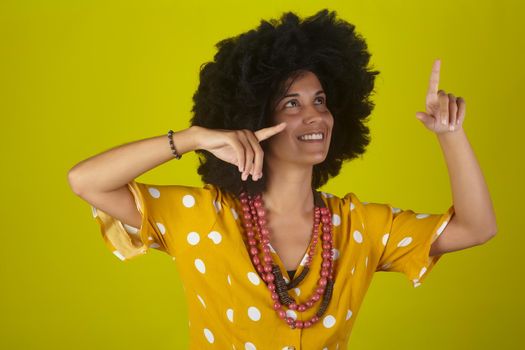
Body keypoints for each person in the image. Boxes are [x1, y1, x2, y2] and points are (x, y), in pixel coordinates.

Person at [67, 9, 497, 350]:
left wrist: (451, 135)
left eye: (321, 101)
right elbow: (87, 180)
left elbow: (476, 228)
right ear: (254, 120)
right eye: (291, 103)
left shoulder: (358, 226)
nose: (315, 115)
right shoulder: (201, 216)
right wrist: (194, 137)